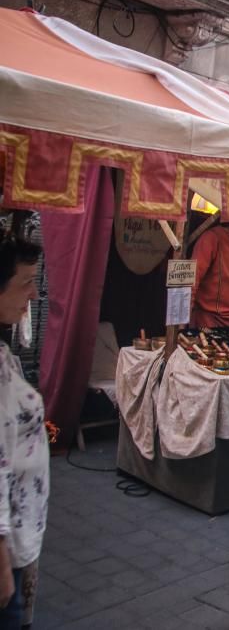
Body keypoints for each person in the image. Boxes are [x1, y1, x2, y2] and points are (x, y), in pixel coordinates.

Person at [0, 234, 47, 629]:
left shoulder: (3, 353)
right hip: (7, 545)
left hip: (20, 536)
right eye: (26, 282)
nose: (33, 294)